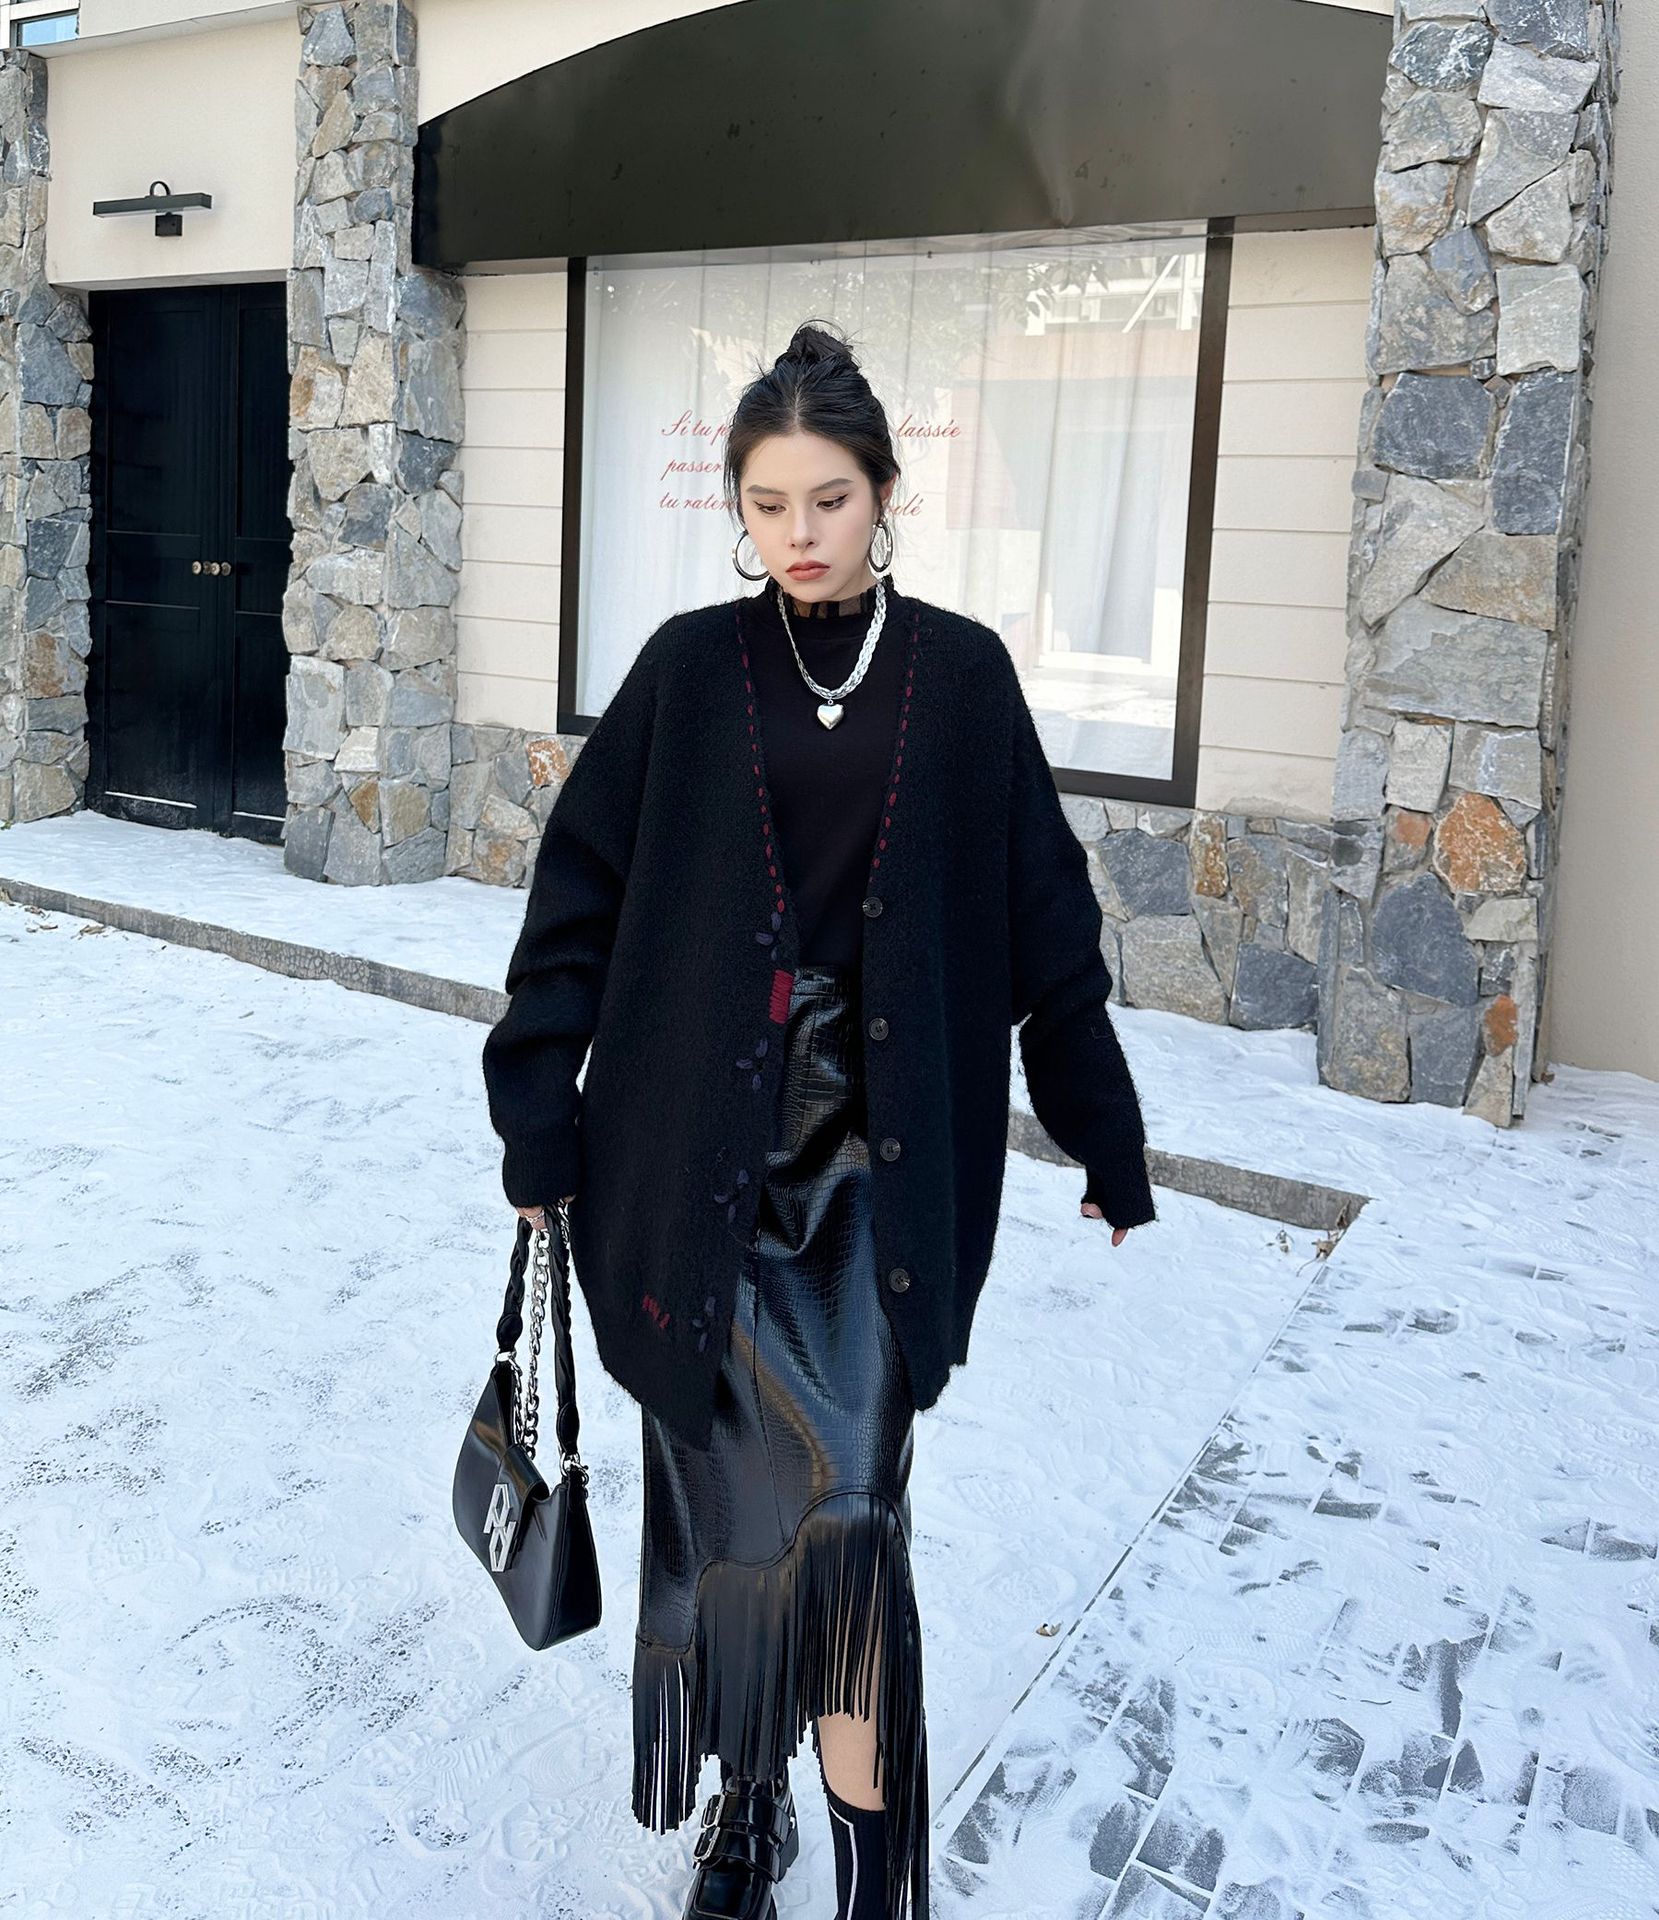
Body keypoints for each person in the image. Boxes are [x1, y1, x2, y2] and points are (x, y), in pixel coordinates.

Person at [482, 320, 1157, 1920]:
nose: (799, 531)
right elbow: (573, 910)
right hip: (686, 1168)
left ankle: (868, 1881)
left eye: (830, 498)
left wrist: (1103, 1134)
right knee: (731, 1514)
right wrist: (537, 1124)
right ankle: (746, 1802)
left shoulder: (964, 680)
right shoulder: (685, 674)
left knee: (849, 1517)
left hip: (879, 1172)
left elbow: (1048, 928)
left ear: (886, 493)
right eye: (769, 502)